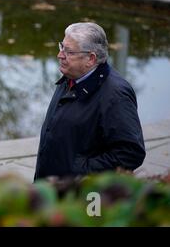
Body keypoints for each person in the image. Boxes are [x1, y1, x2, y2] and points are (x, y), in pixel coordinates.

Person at [34, 22, 146, 180]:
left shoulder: (115, 95)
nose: (60, 55)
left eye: (69, 51)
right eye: (62, 47)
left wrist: (79, 171)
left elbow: (130, 153)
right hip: (51, 188)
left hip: (82, 197)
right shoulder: (71, 76)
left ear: (91, 59)